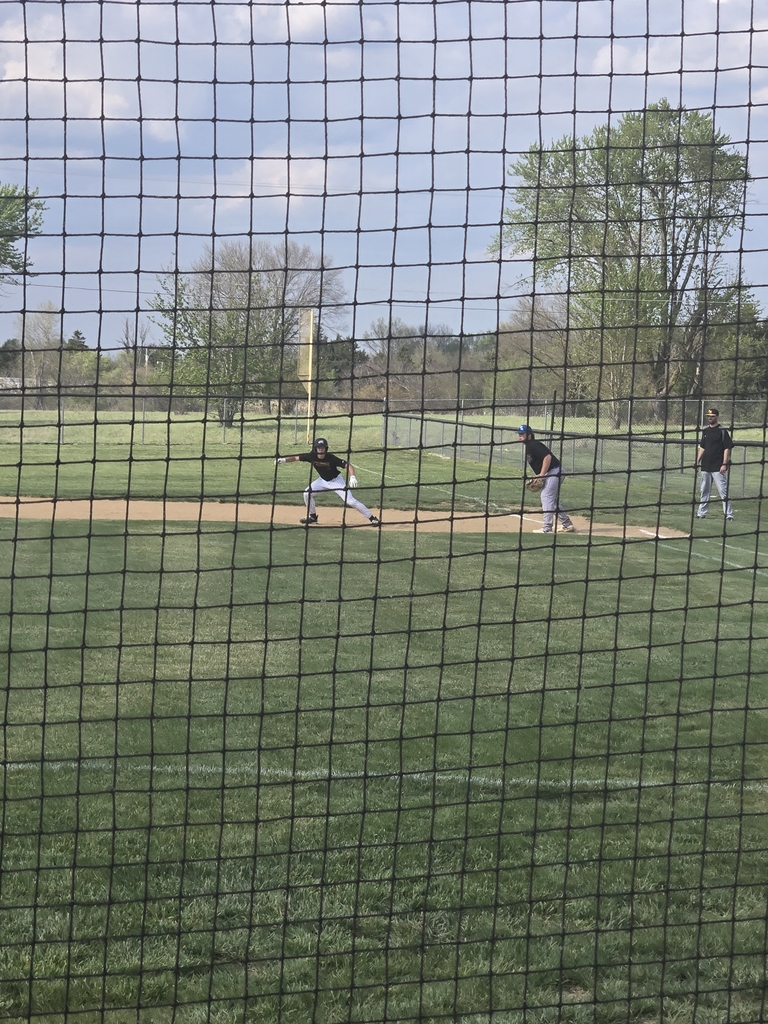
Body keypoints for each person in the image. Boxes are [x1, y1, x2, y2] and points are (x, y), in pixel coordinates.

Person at [275, 437, 380, 526]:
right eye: (319, 448)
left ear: (326, 448)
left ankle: (372, 518)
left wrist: (352, 476)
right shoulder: (311, 456)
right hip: (322, 481)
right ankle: (312, 517)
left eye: (323, 448)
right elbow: (295, 457)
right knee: (307, 493)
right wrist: (283, 460)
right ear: (315, 449)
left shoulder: (331, 458)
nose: (321, 450)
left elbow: (348, 465)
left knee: (350, 501)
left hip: (336, 481)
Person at [516, 425, 575, 534]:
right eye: (519, 434)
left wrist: (542, 475)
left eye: (522, 434)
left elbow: (547, 457)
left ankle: (547, 528)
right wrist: (539, 476)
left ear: (529, 435)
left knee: (546, 496)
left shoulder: (534, 445)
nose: (520, 436)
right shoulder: (530, 446)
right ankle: (567, 524)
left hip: (555, 471)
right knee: (552, 500)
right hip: (553, 471)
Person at [695, 408, 734, 521]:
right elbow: (702, 447)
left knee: (723, 491)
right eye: (708, 416)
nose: (710, 418)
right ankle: (701, 513)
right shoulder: (706, 431)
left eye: (712, 416)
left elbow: (727, 448)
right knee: (704, 490)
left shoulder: (722, 431)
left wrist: (724, 463)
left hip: (718, 466)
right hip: (706, 465)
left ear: (717, 416)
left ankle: (729, 515)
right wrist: (697, 461)